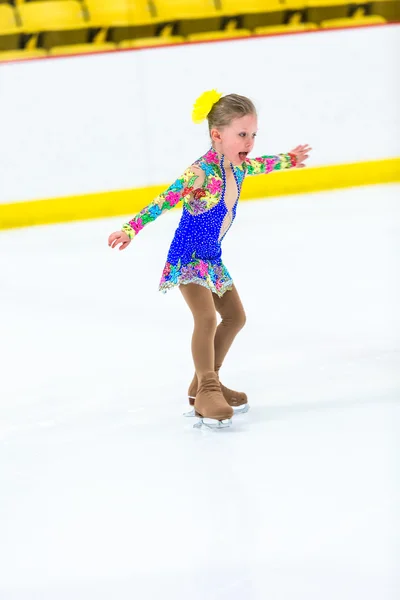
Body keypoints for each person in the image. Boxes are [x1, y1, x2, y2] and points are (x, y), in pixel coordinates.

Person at [108, 90, 311, 429]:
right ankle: (208, 388)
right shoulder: (200, 173)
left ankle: (201, 385)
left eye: (253, 134)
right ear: (217, 135)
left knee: (235, 317)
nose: (249, 141)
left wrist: (289, 159)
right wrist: (131, 229)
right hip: (187, 257)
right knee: (205, 318)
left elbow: (263, 165)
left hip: (211, 259)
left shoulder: (240, 166)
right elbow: (163, 200)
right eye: (242, 134)